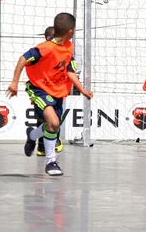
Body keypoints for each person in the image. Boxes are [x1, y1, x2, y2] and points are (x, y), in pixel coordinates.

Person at [6, 13, 93, 176]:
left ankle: (32, 135)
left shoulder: (68, 47)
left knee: (52, 125)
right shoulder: (45, 48)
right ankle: (51, 161)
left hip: (57, 91)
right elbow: (23, 59)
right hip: (38, 89)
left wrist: (81, 89)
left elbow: (69, 70)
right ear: (71, 31)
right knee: (53, 122)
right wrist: (15, 82)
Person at [36, 26, 64, 157]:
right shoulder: (41, 51)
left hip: (57, 90)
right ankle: (44, 147)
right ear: (48, 38)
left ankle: (46, 144)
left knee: (55, 118)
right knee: (44, 119)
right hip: (42, 91)